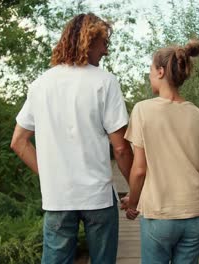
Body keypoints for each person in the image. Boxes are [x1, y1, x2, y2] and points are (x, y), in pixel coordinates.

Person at [10, 13, 133, 264]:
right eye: (104, 43)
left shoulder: (40, 84)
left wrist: (50, 176)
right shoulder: (105, 82)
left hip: (58, 197)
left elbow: (19, 142)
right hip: (98, 197)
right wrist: (136, 190)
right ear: (89, 41)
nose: (106, 51)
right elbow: (120, 148)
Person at [122, 40, 199, 264]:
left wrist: (134, 202)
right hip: (195, 216)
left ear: (161, 71)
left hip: (159, 216)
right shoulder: (198, 115)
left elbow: (139, 170)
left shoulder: (143, 110)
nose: (149, 76)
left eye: (150, 70)